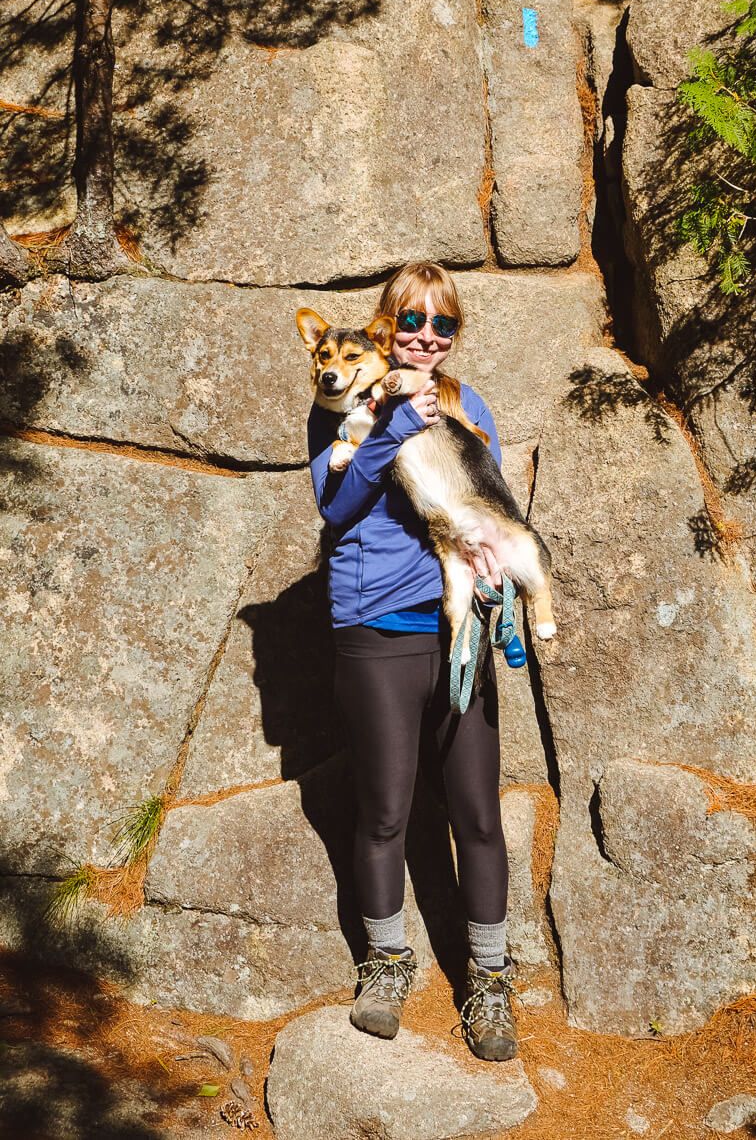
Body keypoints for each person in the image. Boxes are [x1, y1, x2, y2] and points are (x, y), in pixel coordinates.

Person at [306, 260, 518, 1062]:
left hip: (459, 630)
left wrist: (496, 555)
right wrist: (392, 425)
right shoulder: (343, 400)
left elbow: (488, 501)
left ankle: (490, 982)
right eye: (413, 322)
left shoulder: (470, 404)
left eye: (444, 325)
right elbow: (336, 505)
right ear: (385, 325)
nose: (427, 337)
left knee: (479, 816)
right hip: (376, 631)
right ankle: (387, 963)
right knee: (385, 811)